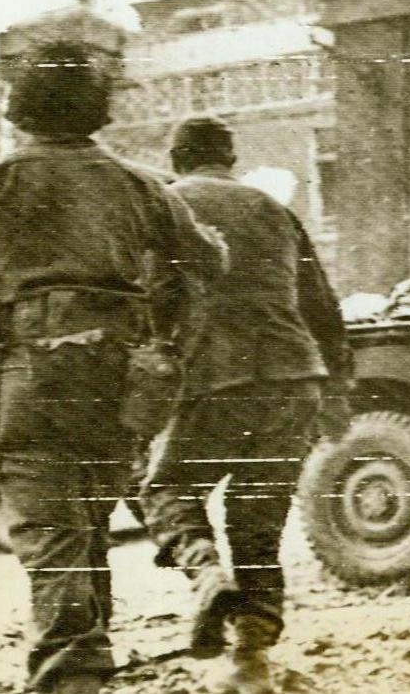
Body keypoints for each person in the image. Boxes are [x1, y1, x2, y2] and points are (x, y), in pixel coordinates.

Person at [0, 42, 225, 694]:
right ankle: (91, 661)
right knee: (89, 521)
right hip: (120, 374)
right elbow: (209, 260)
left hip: (31, 372)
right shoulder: (140, 184)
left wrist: (5, 313)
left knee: (53, 533)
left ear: (23, 106)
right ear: (95, 108)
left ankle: (72, 677)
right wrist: (159, 328)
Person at [139, 115, 351, 694]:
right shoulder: (274, 210)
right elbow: (322, 305)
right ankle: (250, 661)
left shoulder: (166, 204)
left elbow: (151, 295)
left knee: (166, 488)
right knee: (257, 520)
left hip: (214, 374)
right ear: (230, 160)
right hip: (294, 375)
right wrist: (337, 386)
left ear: (177, 159)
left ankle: (206, 572)